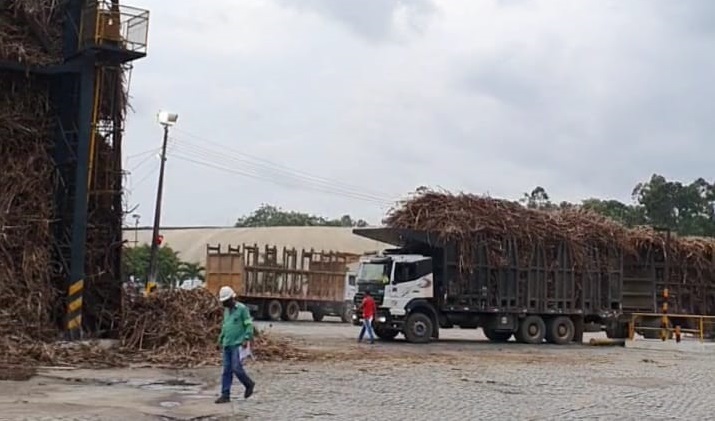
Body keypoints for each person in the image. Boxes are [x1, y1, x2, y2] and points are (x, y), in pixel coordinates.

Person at [215, 286, 256, 404]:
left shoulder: (242, 309)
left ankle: (248, 384)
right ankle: (225, 394)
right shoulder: (226, 311)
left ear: (232, 299)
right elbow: (225, 326)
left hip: (238, 343)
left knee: (236, 368)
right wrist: (220, 339)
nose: (224, 304)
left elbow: (249, 324)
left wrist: (246, 338)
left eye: (226, 301)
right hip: (227, 343)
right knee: (226, 370)